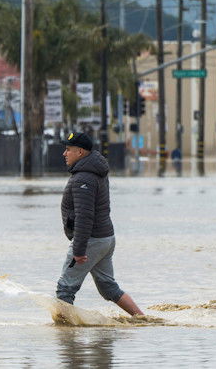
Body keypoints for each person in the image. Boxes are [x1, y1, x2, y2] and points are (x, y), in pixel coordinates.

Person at [55, 131, 143, 316]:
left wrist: (79, 250)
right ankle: (142, 319)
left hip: (91, 241)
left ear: (80, 152)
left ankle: (65, 337)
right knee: (108, 288)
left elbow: (84, 217)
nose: (64, 153)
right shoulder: (94, 171)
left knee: (65, 288)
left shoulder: (83, 178)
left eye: (68, 150)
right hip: (105, 238)